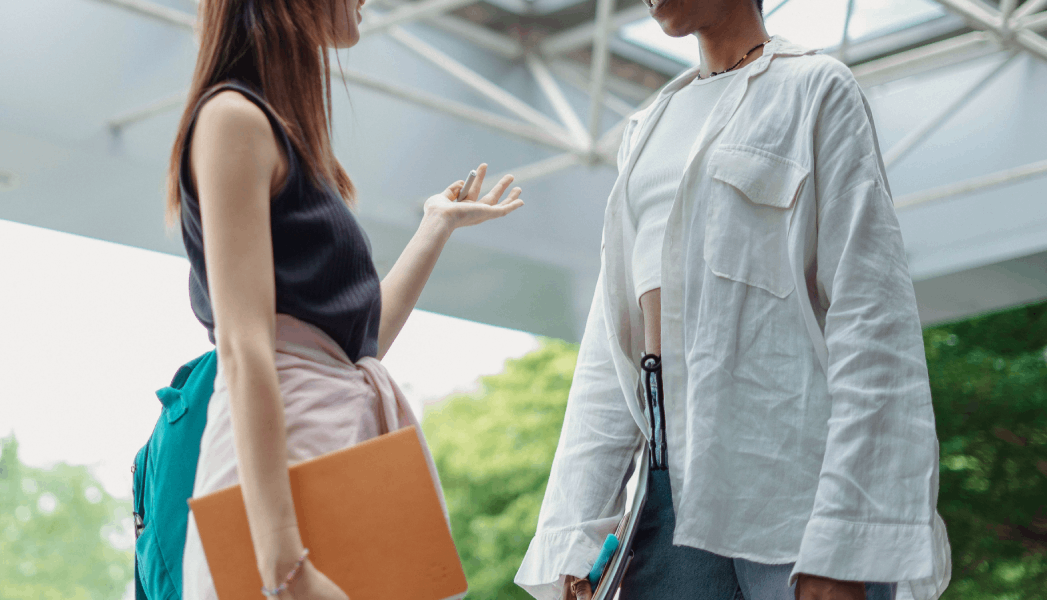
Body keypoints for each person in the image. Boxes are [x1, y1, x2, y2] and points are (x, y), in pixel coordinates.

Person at [515, 1, 952, 600]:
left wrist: (846, 541)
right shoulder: (647, 131)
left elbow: (873, 322)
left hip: (799, 492)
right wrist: (574, 531)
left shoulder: (816, 90)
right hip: (666, 503)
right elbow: (609, 346)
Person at [167, 1, 524, 598]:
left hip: (325, 457)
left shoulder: (276, 134)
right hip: (281, 479)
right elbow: (244, 345)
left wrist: (435, 225)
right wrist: (285, 563)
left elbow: (361, 344)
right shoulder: (232, 119)